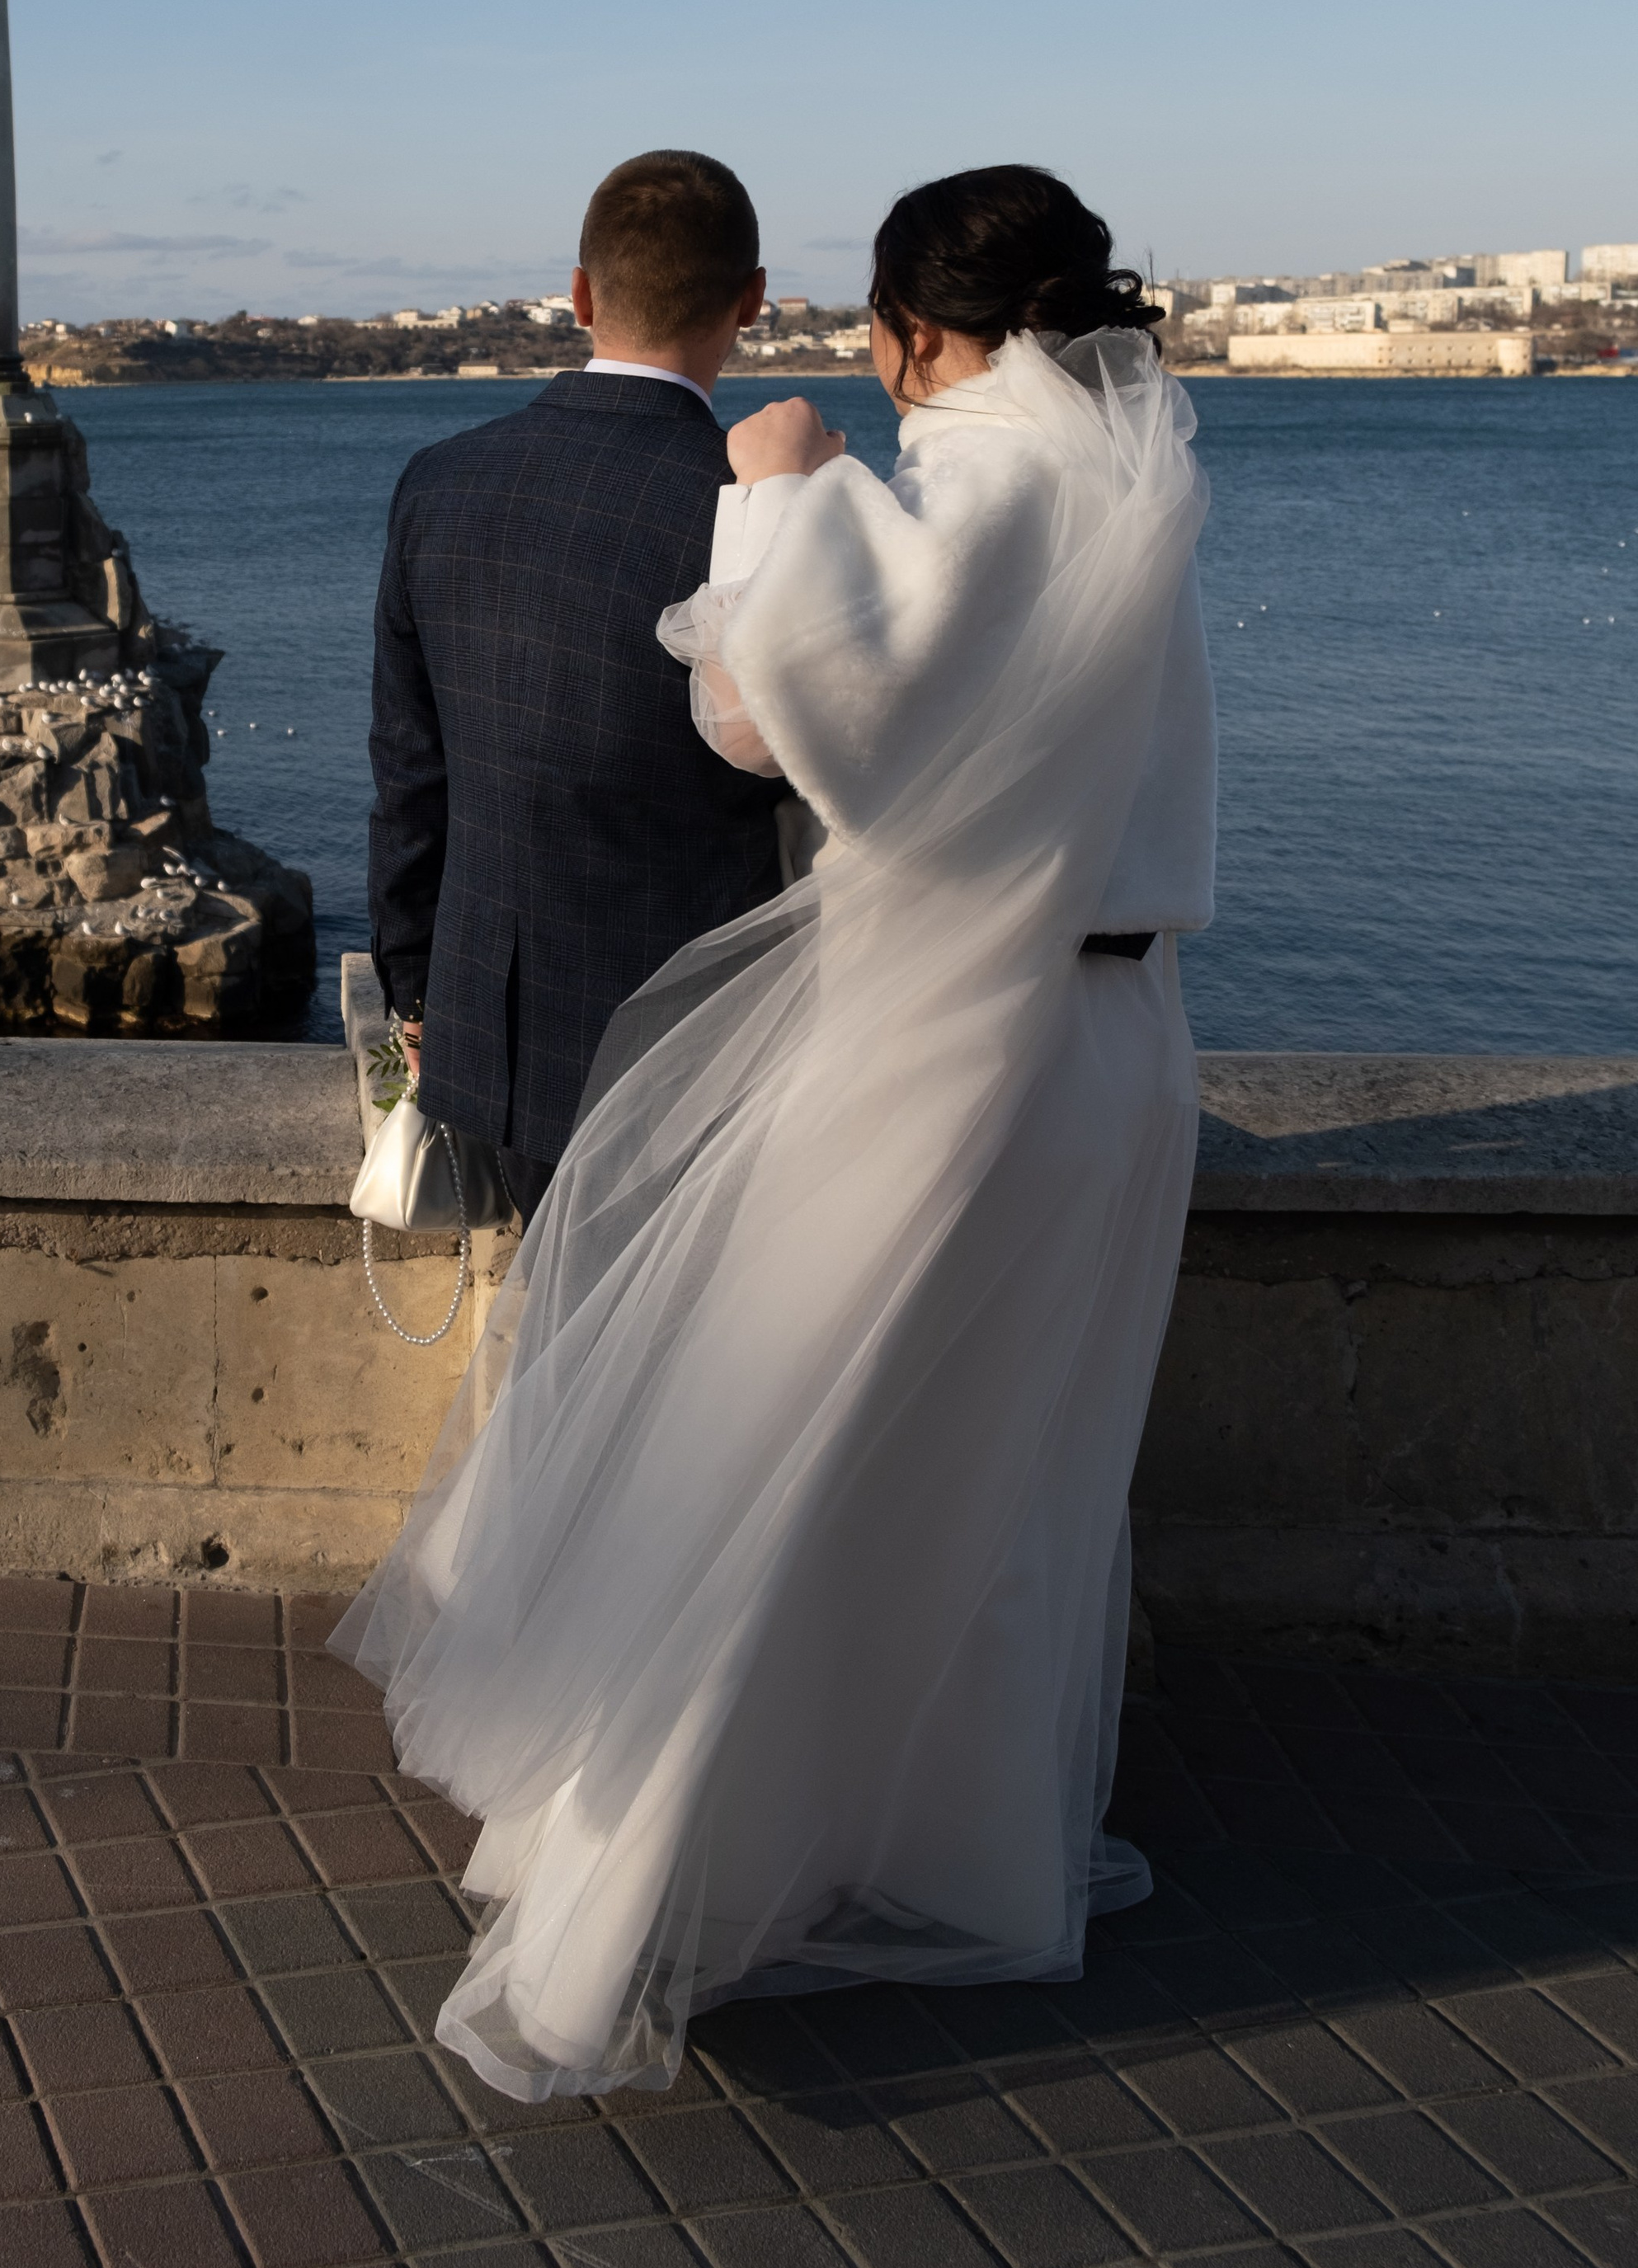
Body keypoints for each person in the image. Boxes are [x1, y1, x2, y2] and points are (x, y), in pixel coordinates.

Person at [336, 164, 1217, 2101]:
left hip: (951, 1041)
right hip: (1122, 1037)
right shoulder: (1138, 486)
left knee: (780, 1452)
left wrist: (778, 488)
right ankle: (952, 1843)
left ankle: (653, 1887)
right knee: (1007, 1474)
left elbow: (774, 715)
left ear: (913, 331)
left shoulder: (976, 483)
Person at [366, 148, 788, 1221]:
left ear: (581, 296)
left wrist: (418, 1002)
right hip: (694, 1056)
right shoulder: (755, 512)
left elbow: (412, 781)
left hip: (491, 1048)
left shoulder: (440, 483)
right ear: (751, 302)